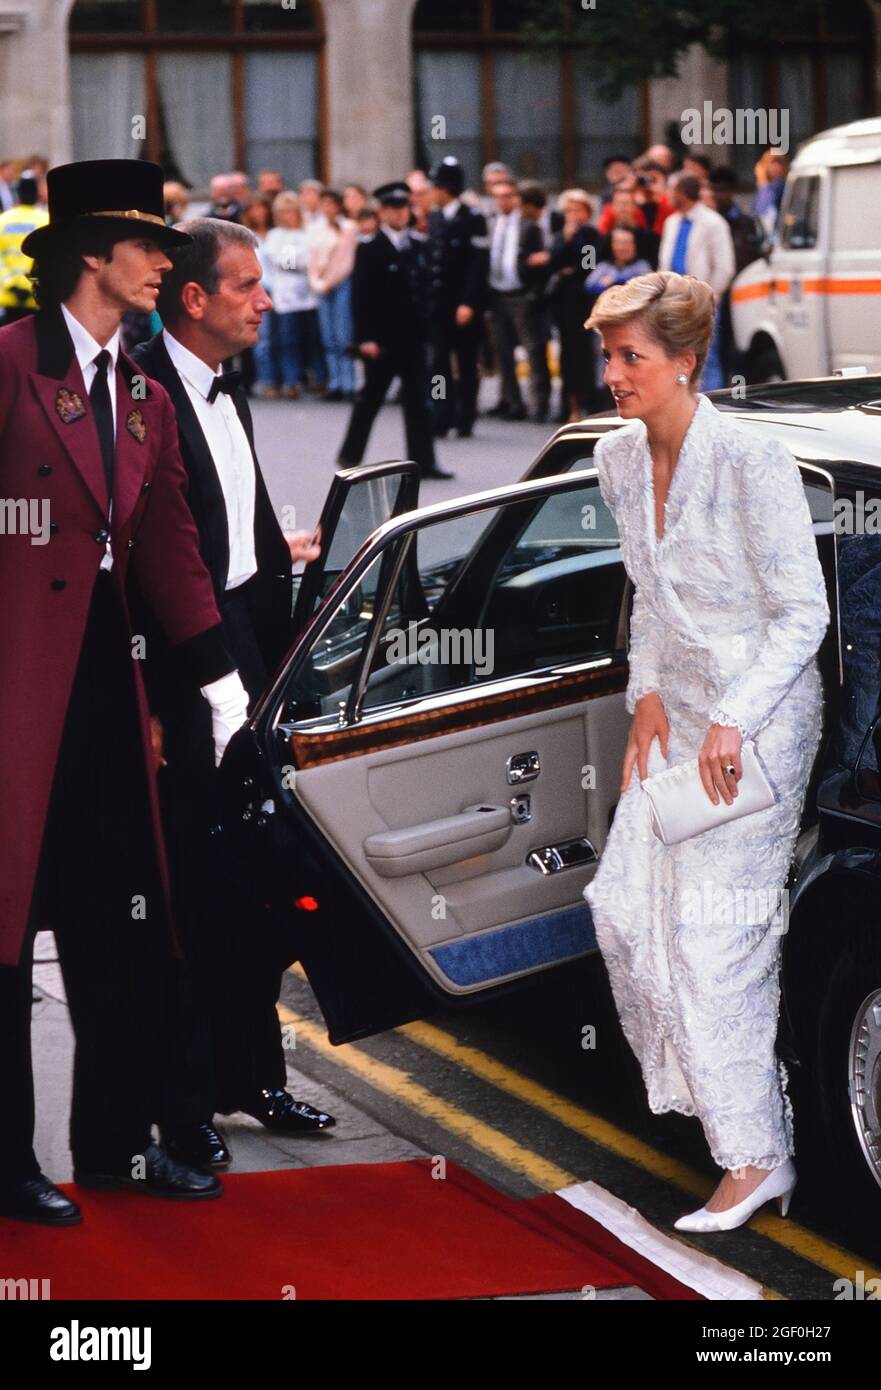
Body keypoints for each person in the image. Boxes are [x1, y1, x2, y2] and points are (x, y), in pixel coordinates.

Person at [0, 158, 253, 1225]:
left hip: (115, 689)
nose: (166, 260)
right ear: (94, 256)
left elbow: (168, 548)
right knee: (6, 936)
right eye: (149, 245)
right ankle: (9, 1164)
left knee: (124, 923)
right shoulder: (9, 364)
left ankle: (111, 1145)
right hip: (14, 691)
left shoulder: (145, 396)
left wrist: (222, 685)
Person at [583, 270, 829, 1232]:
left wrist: (730, 717)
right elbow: (643, 593)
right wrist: (643, 692)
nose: (612, 372)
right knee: (626, 908)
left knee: (713, 936)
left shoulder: (749, 460)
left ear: (687, 362)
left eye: (630, 356)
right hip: (676, 715)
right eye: (607, 354)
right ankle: (711, 1091)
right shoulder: (615, 458)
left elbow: (800, 613)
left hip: (756, 726)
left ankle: (754, 1157)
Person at [131, 218, 333, 1171]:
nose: (267, 300)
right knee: (191, 899)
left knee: (261, 888)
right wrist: (167, 705)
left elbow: (233, 540)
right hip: (180, 682)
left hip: (250, 664)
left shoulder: (230, 390)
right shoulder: (143, 392)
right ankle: (188, 1098)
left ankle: (253, 1078)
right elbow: (141, 565)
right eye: (247, 286)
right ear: (194, 300)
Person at [337, 180, 451, 481]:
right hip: (382, 340)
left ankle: (424, 461)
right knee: (370, 398)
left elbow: (426, 290)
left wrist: (430, 329)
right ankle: (350, 456)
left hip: (412, 338)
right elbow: (361, 297)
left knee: (419, 403)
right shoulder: (371, 248)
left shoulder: (418, 244)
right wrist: (365, 339)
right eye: (393, 209)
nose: (400, 215)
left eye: (404, 209)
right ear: (383, 213)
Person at [428, 155, 489, 439]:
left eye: (436, 185)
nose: (432, 190)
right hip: (440, 304)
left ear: (446, 187)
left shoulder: (473, 218)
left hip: (463, 303)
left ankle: (466, 417)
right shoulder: (436, 216)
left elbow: (478, 265)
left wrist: (469, 302)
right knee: (439, 365)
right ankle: (442, 415)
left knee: (466, 364)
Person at [658, 174, 735, 390]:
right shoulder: (671, 222)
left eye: (672, 190)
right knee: (675, 357)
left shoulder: (713, 222)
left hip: (702, 300)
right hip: (672, 300)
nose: (668, 195)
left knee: (706, 358)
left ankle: (709, 405)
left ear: (682, 193)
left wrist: (709, 297)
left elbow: (724, 267)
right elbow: (665, 261)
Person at [486, 179, 549, 423]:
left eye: (508, 196)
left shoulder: (528, 226)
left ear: (516, 199)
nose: (503, 201)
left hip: (521, 294)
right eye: (498, 197)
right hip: (497, 295)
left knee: (532, 349)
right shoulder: (491, 224)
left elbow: (540, 261)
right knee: (502, 351)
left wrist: (533, 292)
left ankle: (538, 404)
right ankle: (513, 402)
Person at [545, 187, 605, 421]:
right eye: (569, 210)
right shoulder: (561, 235)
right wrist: (568, 241)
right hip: (564, 304)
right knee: (566, 356)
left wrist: (570, 266)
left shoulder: (591, 234)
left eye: (578, 209)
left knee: (586, 356)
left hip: (584, 302)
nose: (574, 214)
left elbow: (588, 265)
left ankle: (589, 404)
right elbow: (553, 263)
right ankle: (568, 405)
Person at [264, 191, 326, 399]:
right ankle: (291, 381)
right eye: (282, 213)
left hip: (309, 296)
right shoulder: (275, 236)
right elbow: (283, 261)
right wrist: (295, 259)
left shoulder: (309, 233)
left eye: (290, 212)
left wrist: (294, 259)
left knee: (312, 340)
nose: (286, 217)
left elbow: (309, 260)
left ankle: (319, 379)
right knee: (288, 341)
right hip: (285, 297)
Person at [308, 187, 357, 401]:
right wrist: (316, 281)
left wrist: (329, 281)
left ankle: (349, 383)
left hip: (340, 283)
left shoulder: (348, 227)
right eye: (324, 203)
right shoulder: (315, 227)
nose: (327, 208)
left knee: (343, 334)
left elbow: (345, 260)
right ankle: (335, 381)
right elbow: (311, 256)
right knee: (327, 336)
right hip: (321, 284)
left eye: (331, 203)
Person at [0, 170, 49, 323]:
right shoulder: (45, 221)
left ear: (18, 194)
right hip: (36, 296)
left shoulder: (3, 221)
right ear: (36, 194)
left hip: (8, 298)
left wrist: (11, 285)